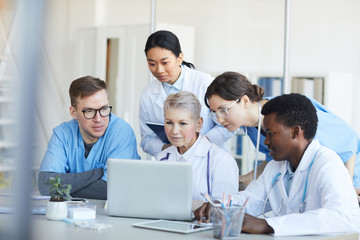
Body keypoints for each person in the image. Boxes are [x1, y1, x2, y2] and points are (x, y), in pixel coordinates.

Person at [195, 94, 360, 235]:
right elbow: (250, 199)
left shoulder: (327, 163)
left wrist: (267, 225)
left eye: (271, 134)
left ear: (295, 132)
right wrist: (220, 206)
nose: (266, 142)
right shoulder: (276, 167)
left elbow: (343, 218)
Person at [205, 71, 360, 198]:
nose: (219, 119)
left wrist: (347, 187)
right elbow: (272, 160)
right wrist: (246, 178)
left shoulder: (288, 113)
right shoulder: (250, 127)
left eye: (223, 110)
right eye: (213, 113)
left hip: (350, 173)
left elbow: (348, 142)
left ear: (244, 101)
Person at [38, 76, 140, 200]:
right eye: (89, 111)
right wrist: (96, 173)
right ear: (74, 112)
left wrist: (63, 189)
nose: (98, 119)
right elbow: (45, 184)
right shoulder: (62, 133)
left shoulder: (121, 132)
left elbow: (111, 189)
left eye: (104, 109)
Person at [139, 30, 234, 157]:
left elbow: (228, 124)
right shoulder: (148, 95)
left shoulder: (205, 83)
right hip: (172, 159)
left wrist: (198, 144)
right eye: (152, 64)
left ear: (179, 59)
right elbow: (147, 139)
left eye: (165, 63)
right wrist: (169, 149)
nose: (159, 70)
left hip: (209, 156)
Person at [156, 91, 239, 201]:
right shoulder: (162, 157)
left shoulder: (221, 160)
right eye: (169, 123)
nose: (174, 131)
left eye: (183, 123)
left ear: (198, 124)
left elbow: (224, 212)